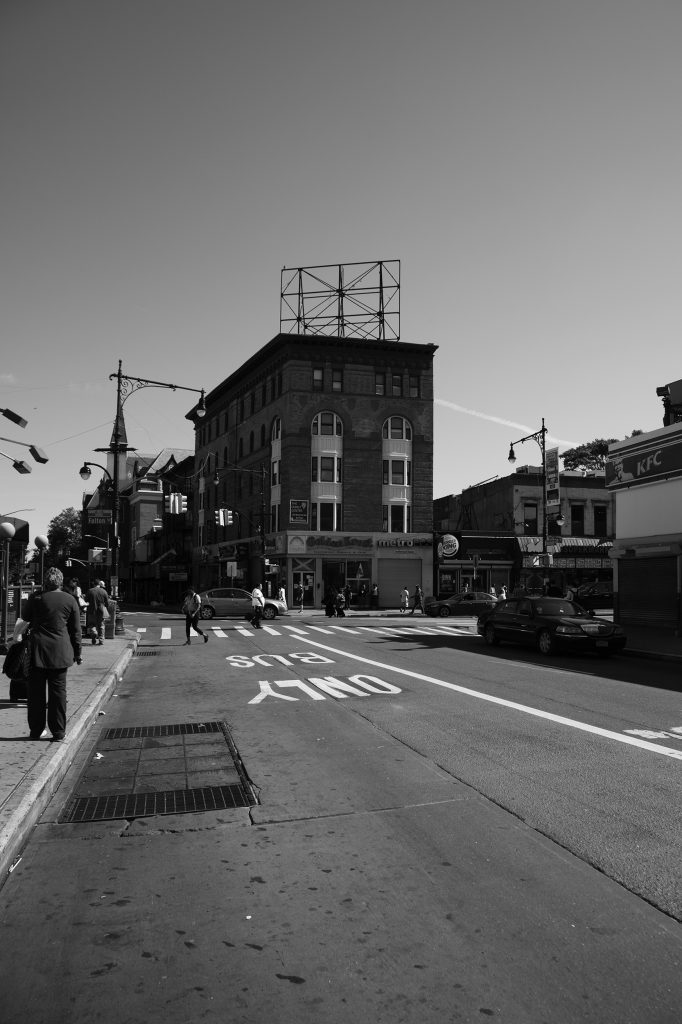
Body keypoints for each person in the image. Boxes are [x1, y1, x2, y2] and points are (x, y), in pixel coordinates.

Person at [22, 567, 82, 742]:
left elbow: (25, 617)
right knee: (58, 693)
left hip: (37, 651)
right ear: (61, 582)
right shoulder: (70, 600)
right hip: (60, 652)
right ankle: (58, 731)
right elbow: (76, 630)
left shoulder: (36, 598)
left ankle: (36, 730)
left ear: (46, 581)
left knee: (35, 694)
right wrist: (77, 653)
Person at [86, 579, 109, 646]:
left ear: (94, 584)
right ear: (99, 584)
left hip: (91, 611)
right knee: (101, 625)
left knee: (92, 624)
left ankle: (94, 633)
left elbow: (86, 600)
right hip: (101, 611)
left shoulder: (90, 591)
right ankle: (101, 640)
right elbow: (107, 603)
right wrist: (106, 608)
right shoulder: (104, 591)